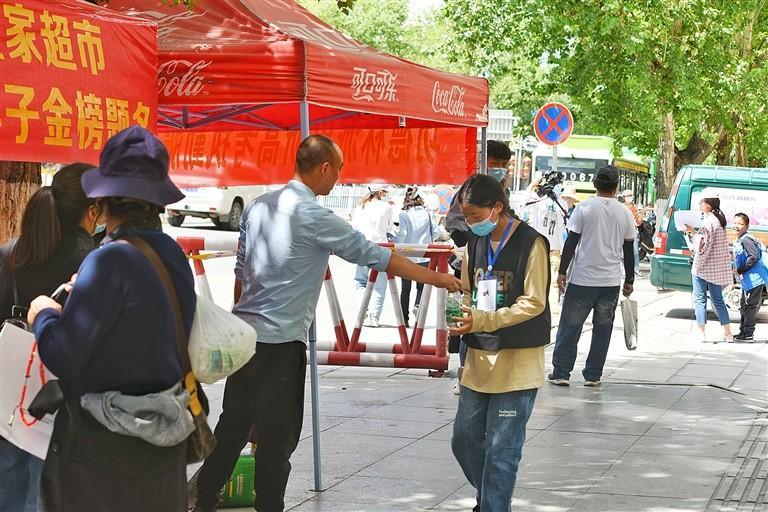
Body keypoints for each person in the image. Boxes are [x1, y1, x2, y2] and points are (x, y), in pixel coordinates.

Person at [192, 134, 460, 512]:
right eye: (338, 170)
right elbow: (376, 257)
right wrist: (437, 278)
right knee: (276, 441)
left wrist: (242, 322)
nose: (339, 178)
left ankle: (203, 500)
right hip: (281, 346)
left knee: (232, 426)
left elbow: (241, 272)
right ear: (324, 168)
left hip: (246, 339)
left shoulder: (257, 207)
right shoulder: (316, 217)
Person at [27, 126, 196, 512]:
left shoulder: (107, 260)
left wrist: (45, 315)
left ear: (103, 200)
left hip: (106, 455)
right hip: (163, 445)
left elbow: (64, 356)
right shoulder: (172, 255)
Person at [448, 174, 550, 512]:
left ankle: (492, 504)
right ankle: (492, 497)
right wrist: (462, 315)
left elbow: (534, 302)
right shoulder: (474, 244)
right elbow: (467, 290)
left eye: (475, 215)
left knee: (502, 452)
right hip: (478, 360)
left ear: (497, 208)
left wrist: (484, 319)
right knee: (464, 440)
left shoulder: (532, 243)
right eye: (466, 216)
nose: (470, 223)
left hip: (517, 365)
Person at [0, 164, 98, 512]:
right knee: (44, 494)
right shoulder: (93, 263)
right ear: (93, 211)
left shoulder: (11, 252)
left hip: (8, 395)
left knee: (7, 489)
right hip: (61, 399)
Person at [548, 166, 636, 386]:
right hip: (610, 282)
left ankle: (561, 372)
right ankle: (593, 375)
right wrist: (629, 280)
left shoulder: (584, 208)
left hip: (582, 280)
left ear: (595, 185)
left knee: (570, 326)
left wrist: (562, 272)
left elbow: (571, 242)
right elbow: (628, 249)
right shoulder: (624, 212)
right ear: (616, 187)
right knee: (602, 329)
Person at [445, 140, 512, 392]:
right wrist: (471, 244)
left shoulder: (503, 190)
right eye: (495, 163)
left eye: (504, 164)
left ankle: (488, 372)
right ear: (484, 161)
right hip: (472, 265)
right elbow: (453, 223)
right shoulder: (469, 190)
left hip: (496, 268)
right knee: (468, 321)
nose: (499, 168)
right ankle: (465, 373)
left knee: (488, 320)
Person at [683, 198, 733, 342]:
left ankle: (701, 333)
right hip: (716, 269)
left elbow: (701, 246)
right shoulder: (720, 221)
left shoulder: (708, 222)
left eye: (701, 203)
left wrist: (692, 232)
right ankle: (728, 333)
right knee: (718, 300)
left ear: (708, 205)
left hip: (701, 267)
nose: (699, 205)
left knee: (700, 300)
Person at [395, 186, 439, 327]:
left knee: (405, 289)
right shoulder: (428, 213)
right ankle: (418, 305)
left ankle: (404, 318)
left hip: (407, 255)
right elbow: (436, 232)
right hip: (424, 254)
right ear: (420, 199)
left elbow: (402, 235)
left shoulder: (404, 215)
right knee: (421, 286)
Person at [351, 185, 394, 327]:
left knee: (360, 281)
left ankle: (363, 309)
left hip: (362, 247)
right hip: (380, 247)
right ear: (380, 192)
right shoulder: (386, 207)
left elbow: (354, 227)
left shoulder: (360, 207)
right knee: (379, 285)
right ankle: (374, 318)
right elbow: (389, 228)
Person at [732, 213, 764, 341]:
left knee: (750, 306)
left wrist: (739, 270)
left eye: (740, 224)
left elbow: (754, 257)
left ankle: (748, 333)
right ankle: (743, 331)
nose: (736, 226)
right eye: (735, 223)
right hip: (748, 279)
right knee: (744, 305)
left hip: (754, 279)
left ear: (746, 226)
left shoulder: (746, 239)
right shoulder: (741, 239)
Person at [621, 189, 643, 276]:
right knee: (622, 252)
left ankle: (636, 269)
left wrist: (640, 216)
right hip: (622, 232)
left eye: (631, 195)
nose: (630, 197)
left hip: (633, 231)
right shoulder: (620, 207)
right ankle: (623, 269)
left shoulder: (635, 208)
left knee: (635, 251)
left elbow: (639, 221)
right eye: (628, 195)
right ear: (624, 197)